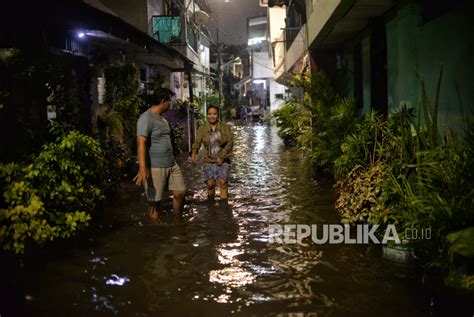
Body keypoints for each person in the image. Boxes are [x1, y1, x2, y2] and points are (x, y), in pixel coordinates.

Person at [133, 88, 186, 220]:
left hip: (171, 163)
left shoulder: (162, 117)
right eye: (169, 101)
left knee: (180, 192)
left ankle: (176, 221)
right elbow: (141, 142)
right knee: (154, 203)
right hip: (155, 166)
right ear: (163, 101)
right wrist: (143, 168)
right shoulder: (146, 118)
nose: (171, 104)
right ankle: (156, 231)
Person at [191, 105, 233, 200]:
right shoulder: (202, 129)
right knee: (210, 184)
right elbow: (197, 142)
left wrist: (222, 157)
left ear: (218, 115)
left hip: (223, 159)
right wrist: (194, 152)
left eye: (214, 114)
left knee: (222, 182)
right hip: (208, 159)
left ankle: (224, 208)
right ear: (207, 115)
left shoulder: (225, 127)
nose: (212, 116)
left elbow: (230, 143)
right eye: (209, 114)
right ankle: (211, 206)